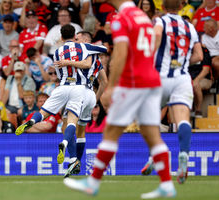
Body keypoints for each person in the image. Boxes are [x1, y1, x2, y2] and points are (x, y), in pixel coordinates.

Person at [63, 0, 176, 198]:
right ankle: (167, 183)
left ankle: (93, 182)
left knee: (111, 132)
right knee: (152, 135)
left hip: (134, 82)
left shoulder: (120, 17)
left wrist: (113, 85)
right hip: (151, 79)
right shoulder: (142, 16)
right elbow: (154, 44)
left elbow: (121, 52)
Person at [15, 24, 107, 176]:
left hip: (63, 86)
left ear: (62, 37)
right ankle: (70, 153)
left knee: (43, 112)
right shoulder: (88, 51)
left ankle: (31, 121)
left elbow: (60, 69)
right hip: (84, 89)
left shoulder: (57, 52)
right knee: (75, 126)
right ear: (76, 37)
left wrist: (68, 62)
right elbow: (100, 57)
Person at [141, 0, 203, 185]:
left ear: (163, 7)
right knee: (182, 120)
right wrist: (182, 63)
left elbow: (158, 35)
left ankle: (155, 155)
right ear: (181, 7)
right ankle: (183, 154)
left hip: (160, 77)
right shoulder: (190, 27)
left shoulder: (160, 21)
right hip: (182, 78)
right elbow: (199, 56)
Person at [55, 30, 108, 177]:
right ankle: (77, 161)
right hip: (89, 95)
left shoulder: (79, 57)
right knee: (81, 131)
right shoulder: (96, 59)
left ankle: (73, 161)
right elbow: (104, 82)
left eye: (78, 38)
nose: (75, 41)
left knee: (67, 125)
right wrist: (95, 100)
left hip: (76, 93)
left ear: (84, 40)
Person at [189, 47, 213, 118]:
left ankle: (198, 110)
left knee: (196, 85)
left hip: (204, 79)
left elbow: (206, 70)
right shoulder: (186, 51)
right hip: (189, 78)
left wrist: (196, 80)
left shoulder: (204, 51)